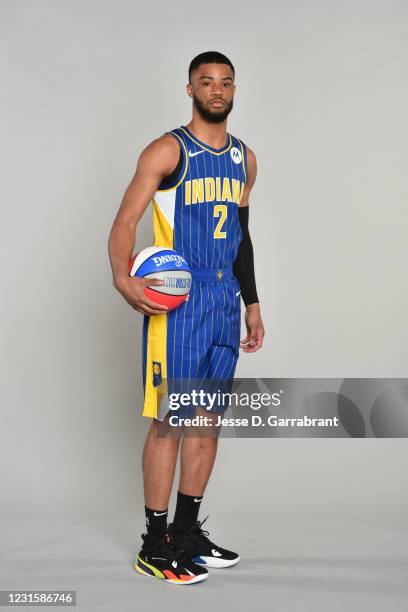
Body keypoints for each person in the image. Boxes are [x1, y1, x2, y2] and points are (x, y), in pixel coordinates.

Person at [108, 51, 265, 585]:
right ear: (190, 89)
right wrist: (122, 277)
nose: (216, 90)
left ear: (235, 90)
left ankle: (188, 533)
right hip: (179, 302)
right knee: (171, 421)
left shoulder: (245, 159)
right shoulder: (168, 150)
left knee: (208, 420)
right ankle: (155, 545)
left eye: (225, 83)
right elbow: (126, 221)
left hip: (223, 297)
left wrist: (252, 303)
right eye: (206, 82)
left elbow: (241, 239)